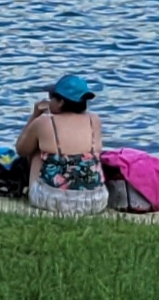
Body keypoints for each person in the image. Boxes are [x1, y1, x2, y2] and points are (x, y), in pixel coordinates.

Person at [16, 75, 115, 215]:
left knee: (38, 152)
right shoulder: (94, 120)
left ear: (60, 102)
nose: (49, 101)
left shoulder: (44, 122)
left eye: (52, 98)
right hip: (96, 200)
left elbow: (21, 149)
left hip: (54, 201)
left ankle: (34, 189)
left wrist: (35, 116)